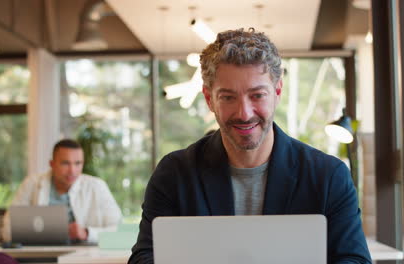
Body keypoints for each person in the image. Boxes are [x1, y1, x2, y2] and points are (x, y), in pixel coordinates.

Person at [128, 28, 372, 263]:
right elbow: (144, 257)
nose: (244, 113)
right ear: (209, 98)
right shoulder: (175, 173)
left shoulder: (328, 176)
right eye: (228, 97)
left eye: (257, 95)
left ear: (277, 92)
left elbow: (355, 260)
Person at [3, 139, 122, 243]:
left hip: (84, 255)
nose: (72, 170)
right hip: (39, 254)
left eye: (78, 163)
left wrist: (86, 233)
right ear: (52, 164)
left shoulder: (97, 186)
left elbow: (119, 231)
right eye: (65, 163)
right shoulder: (31, 184)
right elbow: (7, 230)